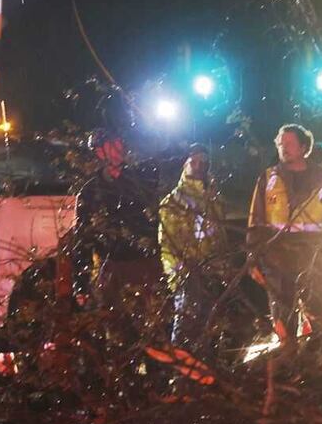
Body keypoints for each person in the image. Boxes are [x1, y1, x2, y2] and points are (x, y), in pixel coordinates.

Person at [247, 123, 322, 352]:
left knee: (318, 310)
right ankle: (288, 361)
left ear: (304, 147)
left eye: (289, 143)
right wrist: (253, 259)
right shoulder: (268, 178)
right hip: (277, 255)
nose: (283, 148)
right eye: (280, 143)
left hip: (313, 255)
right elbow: (255, 220)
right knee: (281, 313)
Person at [71, 129, 160, 311]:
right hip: (112, 268)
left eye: (120, 143)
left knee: (150, 323)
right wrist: (81, 283)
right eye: (112, 145)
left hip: (143, 266)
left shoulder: (141, 182)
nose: (119, 149)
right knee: (114, 323)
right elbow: (84, 238)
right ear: (99, 152)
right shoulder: (91, 192)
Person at [158, 144, 227, 351]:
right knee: (185, 329)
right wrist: (179, 276)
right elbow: (167, 244)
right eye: (193, 161)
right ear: (184, 164)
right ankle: (181, 374)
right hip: (188, 276)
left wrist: (223, 266)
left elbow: (220, 236)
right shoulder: (173, 201)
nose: (198, 166)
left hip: (211, 273)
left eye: (203, 162)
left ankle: (207, 371)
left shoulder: (214, 199)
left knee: (211, 329)